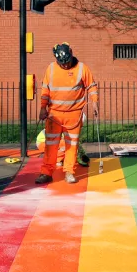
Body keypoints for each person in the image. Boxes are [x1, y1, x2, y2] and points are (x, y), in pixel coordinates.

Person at [35, 42, 99, 184]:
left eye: (67, 62)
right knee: (51, 145)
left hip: (74, 115)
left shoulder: (82, 69)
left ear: (71, 53)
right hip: (54, 115)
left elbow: (91, 86)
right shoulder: (51, 69)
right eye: (61, 63)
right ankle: (46, 173)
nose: (65, 65)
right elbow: (45, 90)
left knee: (72, 145)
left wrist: (95, 102)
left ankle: (69, 172)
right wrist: (42, 108)